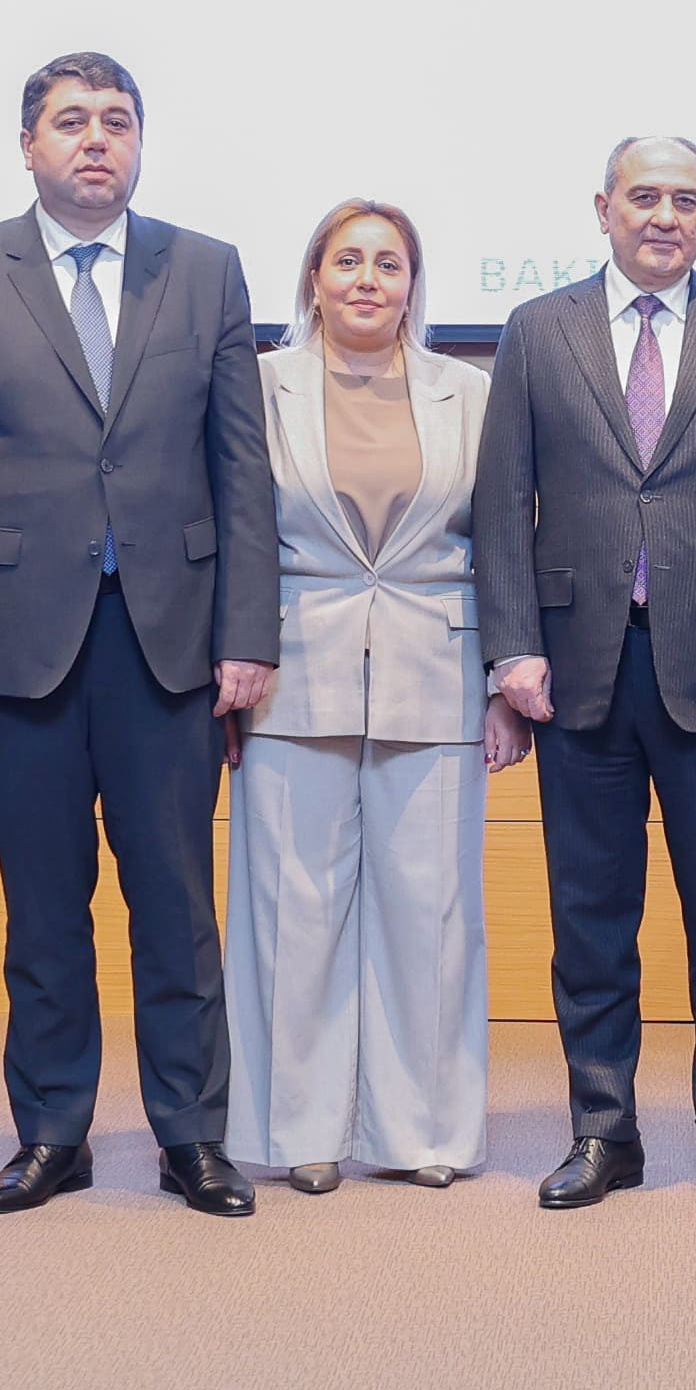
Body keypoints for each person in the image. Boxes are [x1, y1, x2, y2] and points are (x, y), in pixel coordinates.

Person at [0, 54, 278, 1220]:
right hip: (18, 645)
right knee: (45, 910)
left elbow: (241, 469)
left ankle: (192, 1136)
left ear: (140, 142)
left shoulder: (204, 269)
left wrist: (247, 633)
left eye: (116, 120)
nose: (96, 139)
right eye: (71, 121)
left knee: (177, 907)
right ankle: (52, 1132)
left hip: (172, 642)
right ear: (29, 145)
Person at [480, 134, 696, 1212]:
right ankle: (603, 1130)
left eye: (685, 199)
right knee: (590, 916)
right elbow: (502, 503)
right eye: (644, 197)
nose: (664, 216)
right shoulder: (536, 331)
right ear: (604, 208)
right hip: (575, 666)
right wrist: (511, 647)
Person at [224, 195, 504, 1193]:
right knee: (291, 911)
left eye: (389, 263)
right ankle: (299, 1128)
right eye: (348, 260)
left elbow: (502, 543)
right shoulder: (259, 387)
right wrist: (228, 663)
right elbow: (231, 531)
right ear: (313, 277)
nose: (368, 280)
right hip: (290, 672)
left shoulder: (468, 393)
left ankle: (425, 1130)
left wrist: (505, 682)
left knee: (432, 916)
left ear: (412, 285)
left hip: (438, 669)